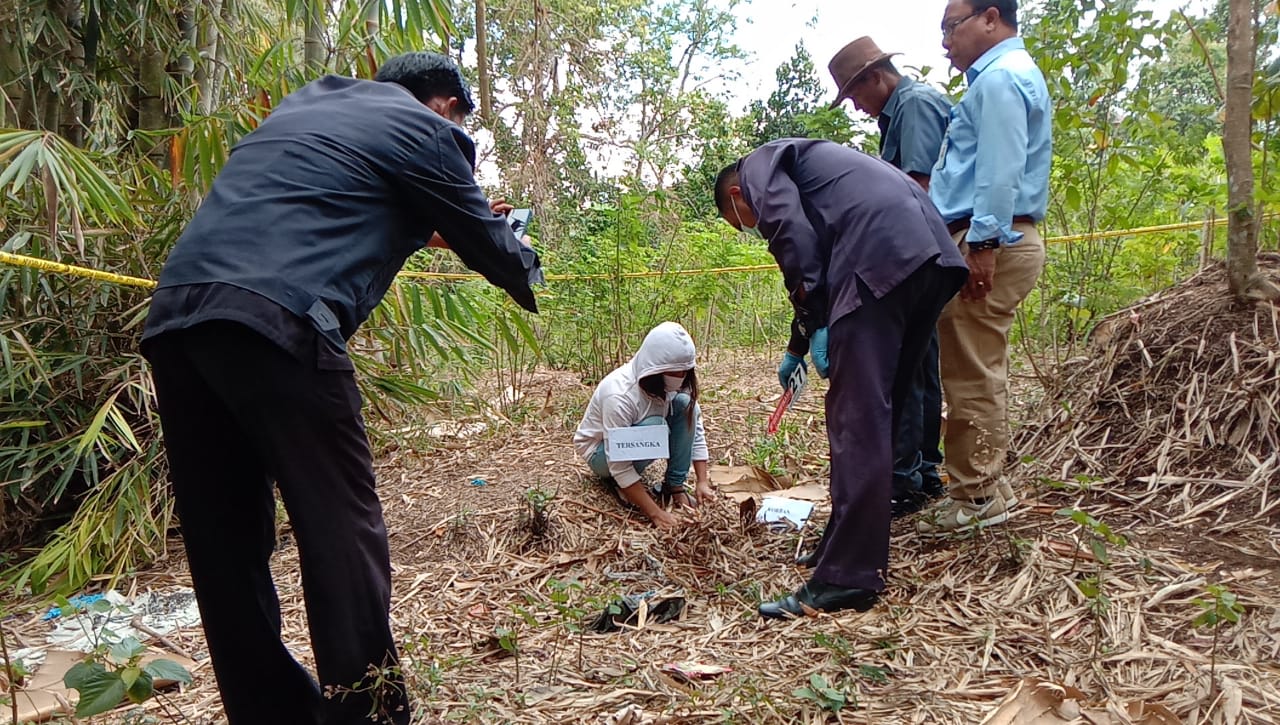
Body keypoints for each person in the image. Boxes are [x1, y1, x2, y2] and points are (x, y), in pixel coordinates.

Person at [141, 52, 542, 725]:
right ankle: (370, 713)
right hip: (280, 322)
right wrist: (521, 250)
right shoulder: (427, 129)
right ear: (444, 104)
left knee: (224, 545)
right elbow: (499, 253)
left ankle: (271, 713)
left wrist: (427, 230)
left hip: (179, 318)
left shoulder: (307, 104)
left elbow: (318, 209)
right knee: (341, 530)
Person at [714, 140, 967, 618]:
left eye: (741, 222)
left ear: (734, 194)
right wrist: (799, 343)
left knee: (857, 418)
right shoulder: (823, 174)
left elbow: (791, 235)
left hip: (879, 256)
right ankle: (847, 544)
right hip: (930, 255)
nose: (750, 229)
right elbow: (818, 262)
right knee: (887, 406)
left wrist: (817, 315)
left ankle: (846, 576)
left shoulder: (757, 168)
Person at [918, 0, 1051, 535]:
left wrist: (984, 243)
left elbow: (999, 170)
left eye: (952, 27)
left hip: (989, 237)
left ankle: (975, 498)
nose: (946, 41)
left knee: (970, 371)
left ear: (991, 18)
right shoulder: (1009, 77)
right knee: (981, 364)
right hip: (989, 235)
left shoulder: (999, 80)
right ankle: (987, 483)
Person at [828, 36, 954, 516]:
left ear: (875, 77)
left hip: (917, 255)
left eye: (857, 95)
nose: (858, 108)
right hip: (924, 255)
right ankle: (920, 473)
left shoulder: (915, 104)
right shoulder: (898, 111)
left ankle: (907, 476)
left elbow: (915, 191)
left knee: (908, 368)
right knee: (920, 367)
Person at [573, 322, 716, 529]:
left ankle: (673, 486)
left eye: (685, 371)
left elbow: (695, 429)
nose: (681, 378)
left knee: (687, 407)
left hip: (641, 435)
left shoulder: (673, 383)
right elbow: (619, 464)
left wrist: (702, 480)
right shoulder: (619, 395)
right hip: (600, 452)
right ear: (655, 369)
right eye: (674, 372)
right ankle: (622, 487)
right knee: (656, 426)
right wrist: (656, 513)